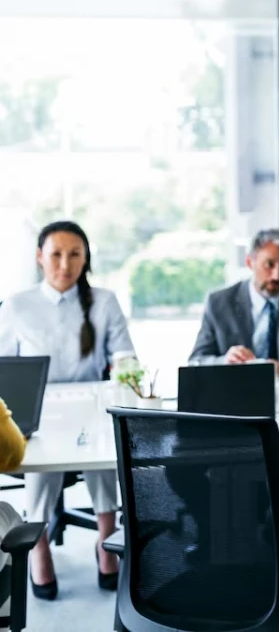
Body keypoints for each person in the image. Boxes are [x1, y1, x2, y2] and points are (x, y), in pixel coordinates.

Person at [0, 221, 129, 600]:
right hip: (40, 411)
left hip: (93, 406)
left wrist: (125, 370)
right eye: (55, 254)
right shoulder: (17, 305)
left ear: (86, 258)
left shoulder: (104, 301)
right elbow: (4, 367)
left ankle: (107, 541)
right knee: (39, 464)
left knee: (106, 455)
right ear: (40, 257)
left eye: (75, 254)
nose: (65, 263)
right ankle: (39, 548)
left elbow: (124, 355)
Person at [188, 228, 279, 382]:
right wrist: (224, 362)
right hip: (233, 393)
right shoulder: (219, 302)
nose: (277, 275)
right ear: (250, 262)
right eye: (269, 265)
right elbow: (197, 361)